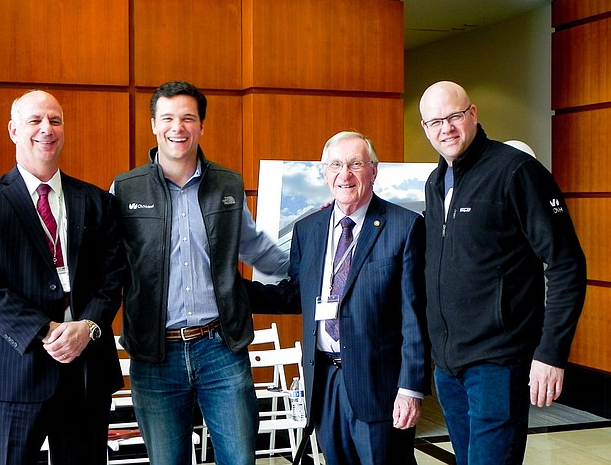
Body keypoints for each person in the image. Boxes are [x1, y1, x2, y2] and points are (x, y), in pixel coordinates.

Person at [112, 80, 288, 465]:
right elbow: (109, 266)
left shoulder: (228, 184)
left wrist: (309, 270)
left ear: (201, 126)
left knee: (240, 459)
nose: (178, 127)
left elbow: (254, 246)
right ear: (154, 125)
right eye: (169, 118)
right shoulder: (125, 189)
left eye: (188, 118)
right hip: (155, 355)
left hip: (220, 347)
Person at [419, 81, 587, 465]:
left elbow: (566, 265)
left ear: (473, 114)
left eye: (455, 116)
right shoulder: (435, 182)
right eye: (435, 122)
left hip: (498, 364)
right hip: (448, 367)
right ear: (425, 129)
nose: (447, 128)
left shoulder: (517, 172)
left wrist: (551, 353)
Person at [0, 90, 126, 464]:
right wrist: (43, 330)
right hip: (11, 372)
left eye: (55, 120)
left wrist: (89, 326)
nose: (46, 129)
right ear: (14, 130)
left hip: (85, 372)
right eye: (35, 121)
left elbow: (112, 276)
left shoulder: (98, 202)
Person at [245, 130, 430, 464]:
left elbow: (414, 315)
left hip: (380, 387)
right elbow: (295, 295)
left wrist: (411, 388)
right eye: (336, 165)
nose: (345, 174)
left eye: (355, 164)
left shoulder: (404, 227)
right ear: (324, 173)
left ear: (373, 171)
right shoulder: (309, 229)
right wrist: (231, 291)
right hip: (325, 382)